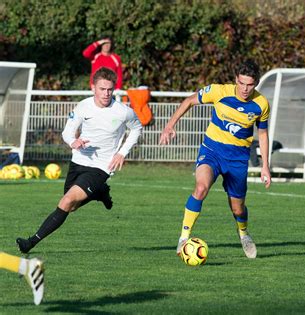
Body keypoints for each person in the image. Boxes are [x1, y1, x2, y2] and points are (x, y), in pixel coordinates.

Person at [16, 68, 142, 253]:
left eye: (110, 89)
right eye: (102, 89)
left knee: (66, 202)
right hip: (79, 161)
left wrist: (122, 152)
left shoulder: (123, 111)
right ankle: (100, 192)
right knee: (71, 207)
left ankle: (31, 242)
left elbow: (137, 128)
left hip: (101, 166)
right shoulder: (83, 106)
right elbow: (67, 132)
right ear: (93, 88)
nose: (106, 93)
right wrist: (73, 141)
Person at [159, 60, 271, 259]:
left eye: (250, 84)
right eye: (242, 83)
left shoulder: (261, 104)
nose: (245, 89)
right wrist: (169, 126)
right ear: (236, 79)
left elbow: (262, 134)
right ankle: (184, 238)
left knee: (237, 208)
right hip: (212, 151)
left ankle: (243, 233)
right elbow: (189, 101)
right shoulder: (219, 91)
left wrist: (265, 166)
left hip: (238, 159)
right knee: (201, 188)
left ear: (256, 83)